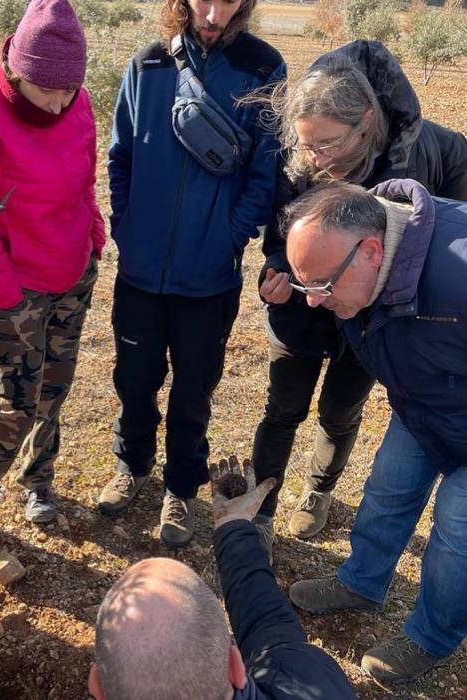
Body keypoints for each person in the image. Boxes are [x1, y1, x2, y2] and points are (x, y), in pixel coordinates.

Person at [251, 40, 467, 550]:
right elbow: (280, 242)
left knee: (340, 412)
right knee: (283, 409)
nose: (315, 158)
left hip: (377, 329)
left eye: (327, 144)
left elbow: (450, 224)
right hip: (301, 311)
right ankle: (259, 509)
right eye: (306, 145)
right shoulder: (299, 163)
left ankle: (317, 492)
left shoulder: (424, 151)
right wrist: (277, 275)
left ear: (366, 121)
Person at [98, 0, 286, 548]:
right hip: (139, 272)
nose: (212, 11)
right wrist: (127, 227)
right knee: (134, 380)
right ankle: (131, 465)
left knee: (193, 392)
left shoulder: (263, 67)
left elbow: (265, 169)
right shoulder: (148, 64)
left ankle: (180, 489)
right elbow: (120, 155)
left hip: (210, 279)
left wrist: (231, 235)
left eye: (228, 0)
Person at [0, 0, 105, 575]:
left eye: (70, 90)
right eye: (47, 91)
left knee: (55, 390)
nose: (61, 103)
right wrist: (8, 300)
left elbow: (85, 179)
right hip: (18, 289)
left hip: (73, 273)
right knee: (13, 403)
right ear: (15, 67)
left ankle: (40, 483)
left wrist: (94, 236)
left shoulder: (75, 98)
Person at [283, 179, 467, 683]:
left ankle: (431, 637)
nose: (314, 301)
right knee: (387, 487)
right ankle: (362, 583)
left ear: (370, 251)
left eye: (321, 286)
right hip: (425, 405)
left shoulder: (459, 267)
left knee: (457, 526)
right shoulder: (356, 256)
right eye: (307, 287)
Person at [90, 456, 357, 699]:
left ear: (97, 688)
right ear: (235, 666)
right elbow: (270, 629)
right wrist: (233, 524)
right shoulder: (313, 679)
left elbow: (269, 629)